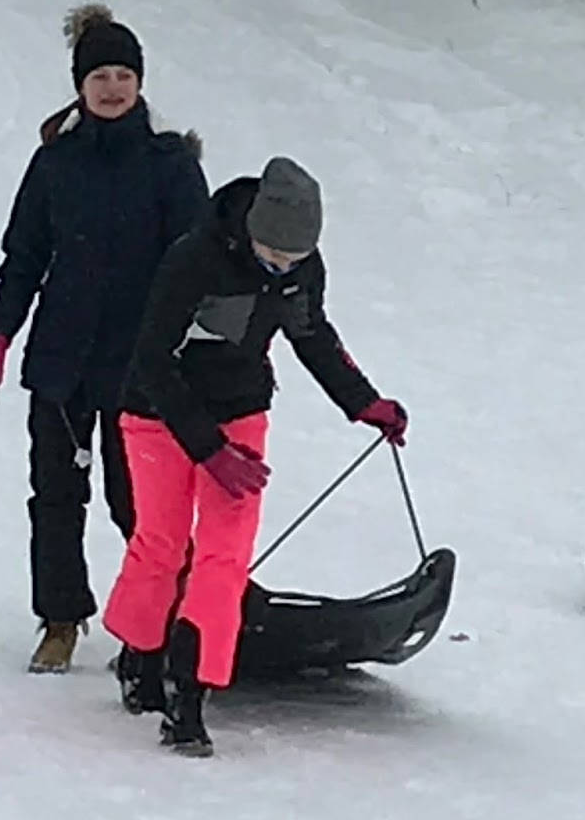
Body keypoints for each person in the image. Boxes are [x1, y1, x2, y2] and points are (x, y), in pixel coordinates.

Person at [103, 156, 409, 756]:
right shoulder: (194, 258)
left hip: (241, 409)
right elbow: (151, 360)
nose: (281, 267)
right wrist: (208, 449)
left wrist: (364, 402)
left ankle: (191, 695)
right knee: (162, 543)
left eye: (293, 260)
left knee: (224, 557)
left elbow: (311, 332)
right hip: (157, 412)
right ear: (251, 230)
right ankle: (139, 655)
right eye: (272, 255)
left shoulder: (302, 268)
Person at [0, 3, 209, 674]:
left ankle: (153, 624)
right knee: (54, 495)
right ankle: (61, 620)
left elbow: (203, 266)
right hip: (61, 361)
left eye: (123, 75)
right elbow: (24, 257)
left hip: (142, 366)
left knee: (142, 506)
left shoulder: (170, 164)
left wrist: (205, 351)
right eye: (99, 75)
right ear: (79, 84)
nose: (111, 87)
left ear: (139, 83)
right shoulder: (55, 163)